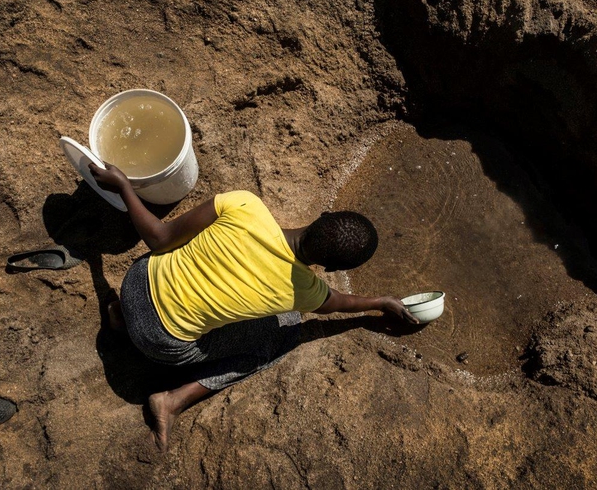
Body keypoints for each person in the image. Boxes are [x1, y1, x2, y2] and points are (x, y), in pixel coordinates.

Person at [89, 162, 418, 452]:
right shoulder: (304, 291)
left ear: (324, 216)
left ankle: (120, 319)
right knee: (282, 333)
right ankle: (172, 401)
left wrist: (123, 186)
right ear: (330, 269)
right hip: (158, 342)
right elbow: (337, 303)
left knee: (185, 243)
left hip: (135, 284)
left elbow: (160, 237)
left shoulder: (245, 204)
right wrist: (380, 302)